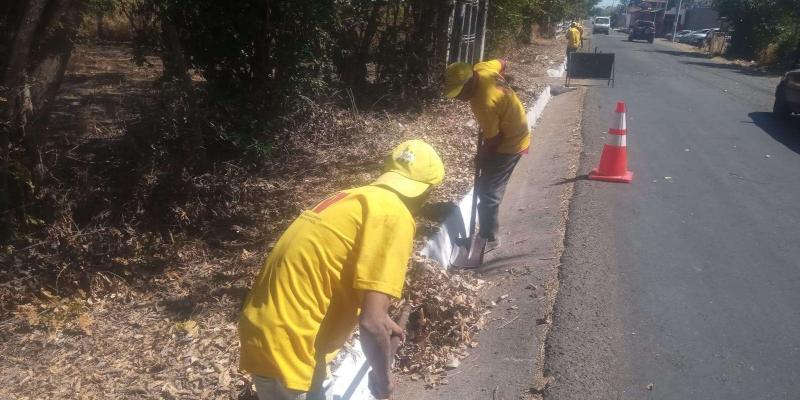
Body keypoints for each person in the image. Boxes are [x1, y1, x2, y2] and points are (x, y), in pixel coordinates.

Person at [238, 140, 445, 400]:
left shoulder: (351, 198)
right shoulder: (395, 215)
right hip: (293, 344)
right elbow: (370, 324)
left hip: (261, 330)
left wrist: (383, 319)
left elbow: (337, 269)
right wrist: (384, 381)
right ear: (427, 192)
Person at [444, 59, 531, 251]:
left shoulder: (483, 102)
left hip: (510, 142)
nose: (459, 98)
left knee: (488, 191)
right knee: (485, 183)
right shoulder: (484, 68)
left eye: (461, 93)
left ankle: (489, 237)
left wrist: (481, 156)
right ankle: (486, 231)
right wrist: (505, 93)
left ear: (470, 81)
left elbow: (494, 140)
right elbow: (502, 61)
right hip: (513, 126)